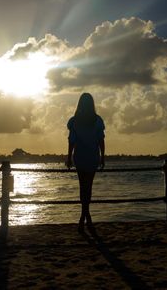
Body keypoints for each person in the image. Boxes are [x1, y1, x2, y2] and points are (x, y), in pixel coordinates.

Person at [65, 93, 105, 233]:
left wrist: (69, 158)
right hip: (93, 156)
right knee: (89, 187)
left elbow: (71, 142)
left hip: (80, 157)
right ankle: (86, 217)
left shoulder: (74, 121)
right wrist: (102, 157)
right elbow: (101, 140)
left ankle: (84, 217)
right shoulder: (98, 120)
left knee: (83, 187)